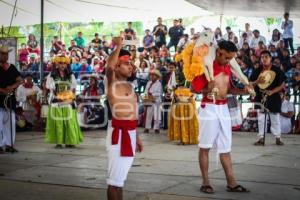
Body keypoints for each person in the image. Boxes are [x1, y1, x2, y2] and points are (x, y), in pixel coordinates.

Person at [193, 40, 252, 193]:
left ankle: (231, 183)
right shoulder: (205, 64)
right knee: (205, 146)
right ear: (219, 52)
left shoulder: (227, 66)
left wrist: (244, 91)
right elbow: (195, 88)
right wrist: (207, 87)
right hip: (209, 108)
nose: (228, 61)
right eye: (227, 57)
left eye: (231, 58)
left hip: (224, 108)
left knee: (225, 147)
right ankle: (205, 182)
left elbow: (230, 89)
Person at [105, 37, 143, 200]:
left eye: (131, 64)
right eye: (127, 63)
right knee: (114, 182)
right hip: (118, 134)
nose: (131, 66)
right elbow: (109, 66)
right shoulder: (111, 82)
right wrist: (119, 45)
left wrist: (137, 137)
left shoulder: (130, 85)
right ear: (117, 66)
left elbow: (132, 114)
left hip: (130, 132)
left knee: (120, 181)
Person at [45, 55, 83, 148]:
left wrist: (71, 98)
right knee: (58, 122)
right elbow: (50, 88)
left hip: (68, 101)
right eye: (60, 63)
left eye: (64, 63)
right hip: (57, 102)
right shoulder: (52, 75)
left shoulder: (71, 75)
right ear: (57, 64)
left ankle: (70, 141)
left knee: (69, 121)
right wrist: (58, 96)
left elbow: (73, 89)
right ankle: (59, 142)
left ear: (67, 64)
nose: (62, 65)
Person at [250, 50, 285, 145]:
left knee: (275, 117)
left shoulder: (277, 70)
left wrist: (272, 91)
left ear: (270, 58)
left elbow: (282, 85)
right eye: (262, 57)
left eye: (266, 57)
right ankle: (261, 138)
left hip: (274, 95)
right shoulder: (257, 70)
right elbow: (250, 84)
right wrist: (257, 81)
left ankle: (278, 138)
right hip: (260, 95)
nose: (264, 59)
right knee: (261, 118)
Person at [0, 45, 23, 153]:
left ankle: (9, 144)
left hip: (9, 99)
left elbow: (20, 80)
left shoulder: (12, 67)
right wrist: (2, 90)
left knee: (10, 123)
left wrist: (12, 87)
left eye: (6, 54)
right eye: (3, 54)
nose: (5, 56)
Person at [144, 69, 162, 134]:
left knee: (156, 115)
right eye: (151, 75)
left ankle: (156, 128)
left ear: (157, 76)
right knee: (148, 114)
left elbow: (159, 93)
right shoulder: (149, 82)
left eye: (153, 75)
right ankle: (147, 128)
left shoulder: (159, 83)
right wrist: (146, 95)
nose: (151, 77)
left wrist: (151, 94)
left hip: (156, 101)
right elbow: (146, 90)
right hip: (149, 100)